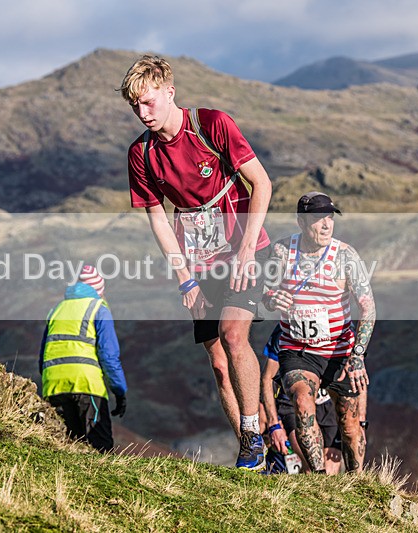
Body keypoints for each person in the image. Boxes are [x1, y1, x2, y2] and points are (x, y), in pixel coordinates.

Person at [120, 55, 273, 470]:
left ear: (169, 92)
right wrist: (184, 278)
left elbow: (261, 183)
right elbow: (157, 218)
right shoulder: (142, 154)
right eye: (135, 106)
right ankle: (253, 452)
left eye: (149, 102)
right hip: (198, 261)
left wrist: (246, 250)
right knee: (219, 363)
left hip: (244, 249)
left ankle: (253, 437)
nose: (142, 113)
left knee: (234, 336)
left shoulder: (211, 125)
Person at [263, 192, 376, 473]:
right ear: (301, 222)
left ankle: (357, 482)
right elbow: (265, 292)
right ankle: (319, 478)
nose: (326, 225)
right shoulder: (282, 251)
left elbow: (368, 307)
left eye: (330, 218)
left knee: (349, 426)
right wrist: (272, 298)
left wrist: (357, 356)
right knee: (303, 404)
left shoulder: (345, 256)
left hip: (339, 351)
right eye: (318, 219)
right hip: (298, 350)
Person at [39, 264, 127, 452]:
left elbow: (43, 355)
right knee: (100, 447)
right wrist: (119, 391)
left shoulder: (56, 310)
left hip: (53, 384)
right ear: (99, 291)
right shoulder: (98, 309)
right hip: (86, 384)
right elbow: (109, 356)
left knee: (65, 446)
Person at [261, 331, 342, 475]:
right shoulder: (283, 331)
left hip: (326, 405)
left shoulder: (337, 325)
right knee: (311, 465)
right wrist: (274, 425)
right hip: (293, 405)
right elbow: (267, 379)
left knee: (330, 471)